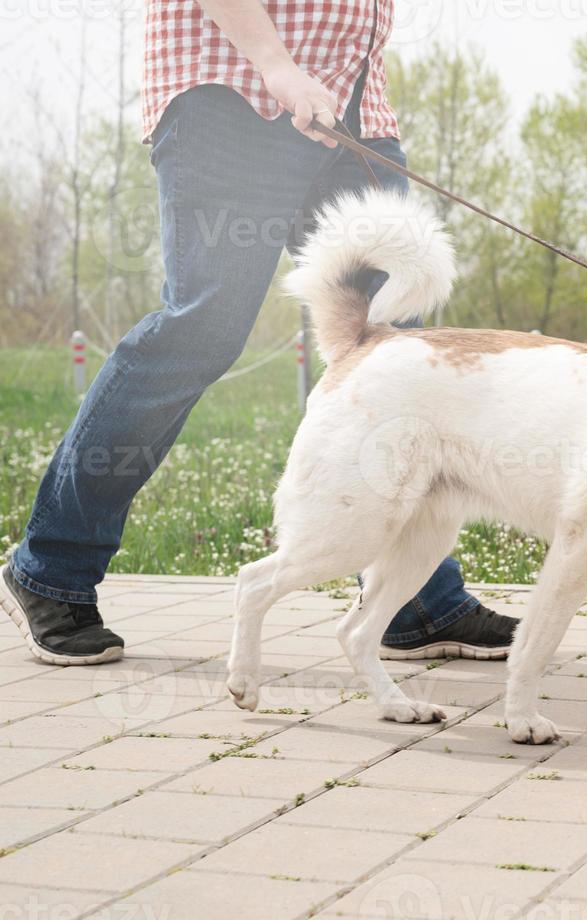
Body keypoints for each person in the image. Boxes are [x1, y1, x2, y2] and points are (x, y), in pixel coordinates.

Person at [0, 0, 517, 666]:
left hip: (352, 105)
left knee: (394, 356)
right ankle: (52, 568)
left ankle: (412, 599)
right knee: (204, 326)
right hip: (234, 91)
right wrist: (276, 64)